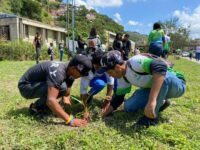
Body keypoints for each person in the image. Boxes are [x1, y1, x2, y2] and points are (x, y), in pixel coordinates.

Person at [99, 50, 186, 127]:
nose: (109, 75)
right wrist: (104, 114)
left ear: (117, 67)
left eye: (109, 72)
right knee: (129, 106)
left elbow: (160, 67)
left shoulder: (135, 62)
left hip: (176, 83)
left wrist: (152, 101)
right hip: (155, 88)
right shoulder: (121, 77)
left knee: (164, 78)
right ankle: (162, 102)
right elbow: (118, 99)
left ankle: (150, 118)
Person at [18, 55, 92, 127]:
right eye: (81, 74)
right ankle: (35, 108)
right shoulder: (59, 72)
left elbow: (66, 95)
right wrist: (70, 120)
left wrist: (71, 110)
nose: (81, 76)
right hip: (25, 87)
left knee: (63, 88)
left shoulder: (70, 74)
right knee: (61, 88)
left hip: (38, 84)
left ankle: (41, 106)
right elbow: (51, 100)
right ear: (73, 68)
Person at [80, 50, 114, 120]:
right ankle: (89, 95)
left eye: (100, 66)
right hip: (93, 79)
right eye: (96, 66)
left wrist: (107, 100)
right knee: (100, 84)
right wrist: (85, 109)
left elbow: (110, 83)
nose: (98, 68)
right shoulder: (87, 69)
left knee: (115, 77)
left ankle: (114, 100)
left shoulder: (106, 65)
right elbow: (83, 92)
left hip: (102, 77)